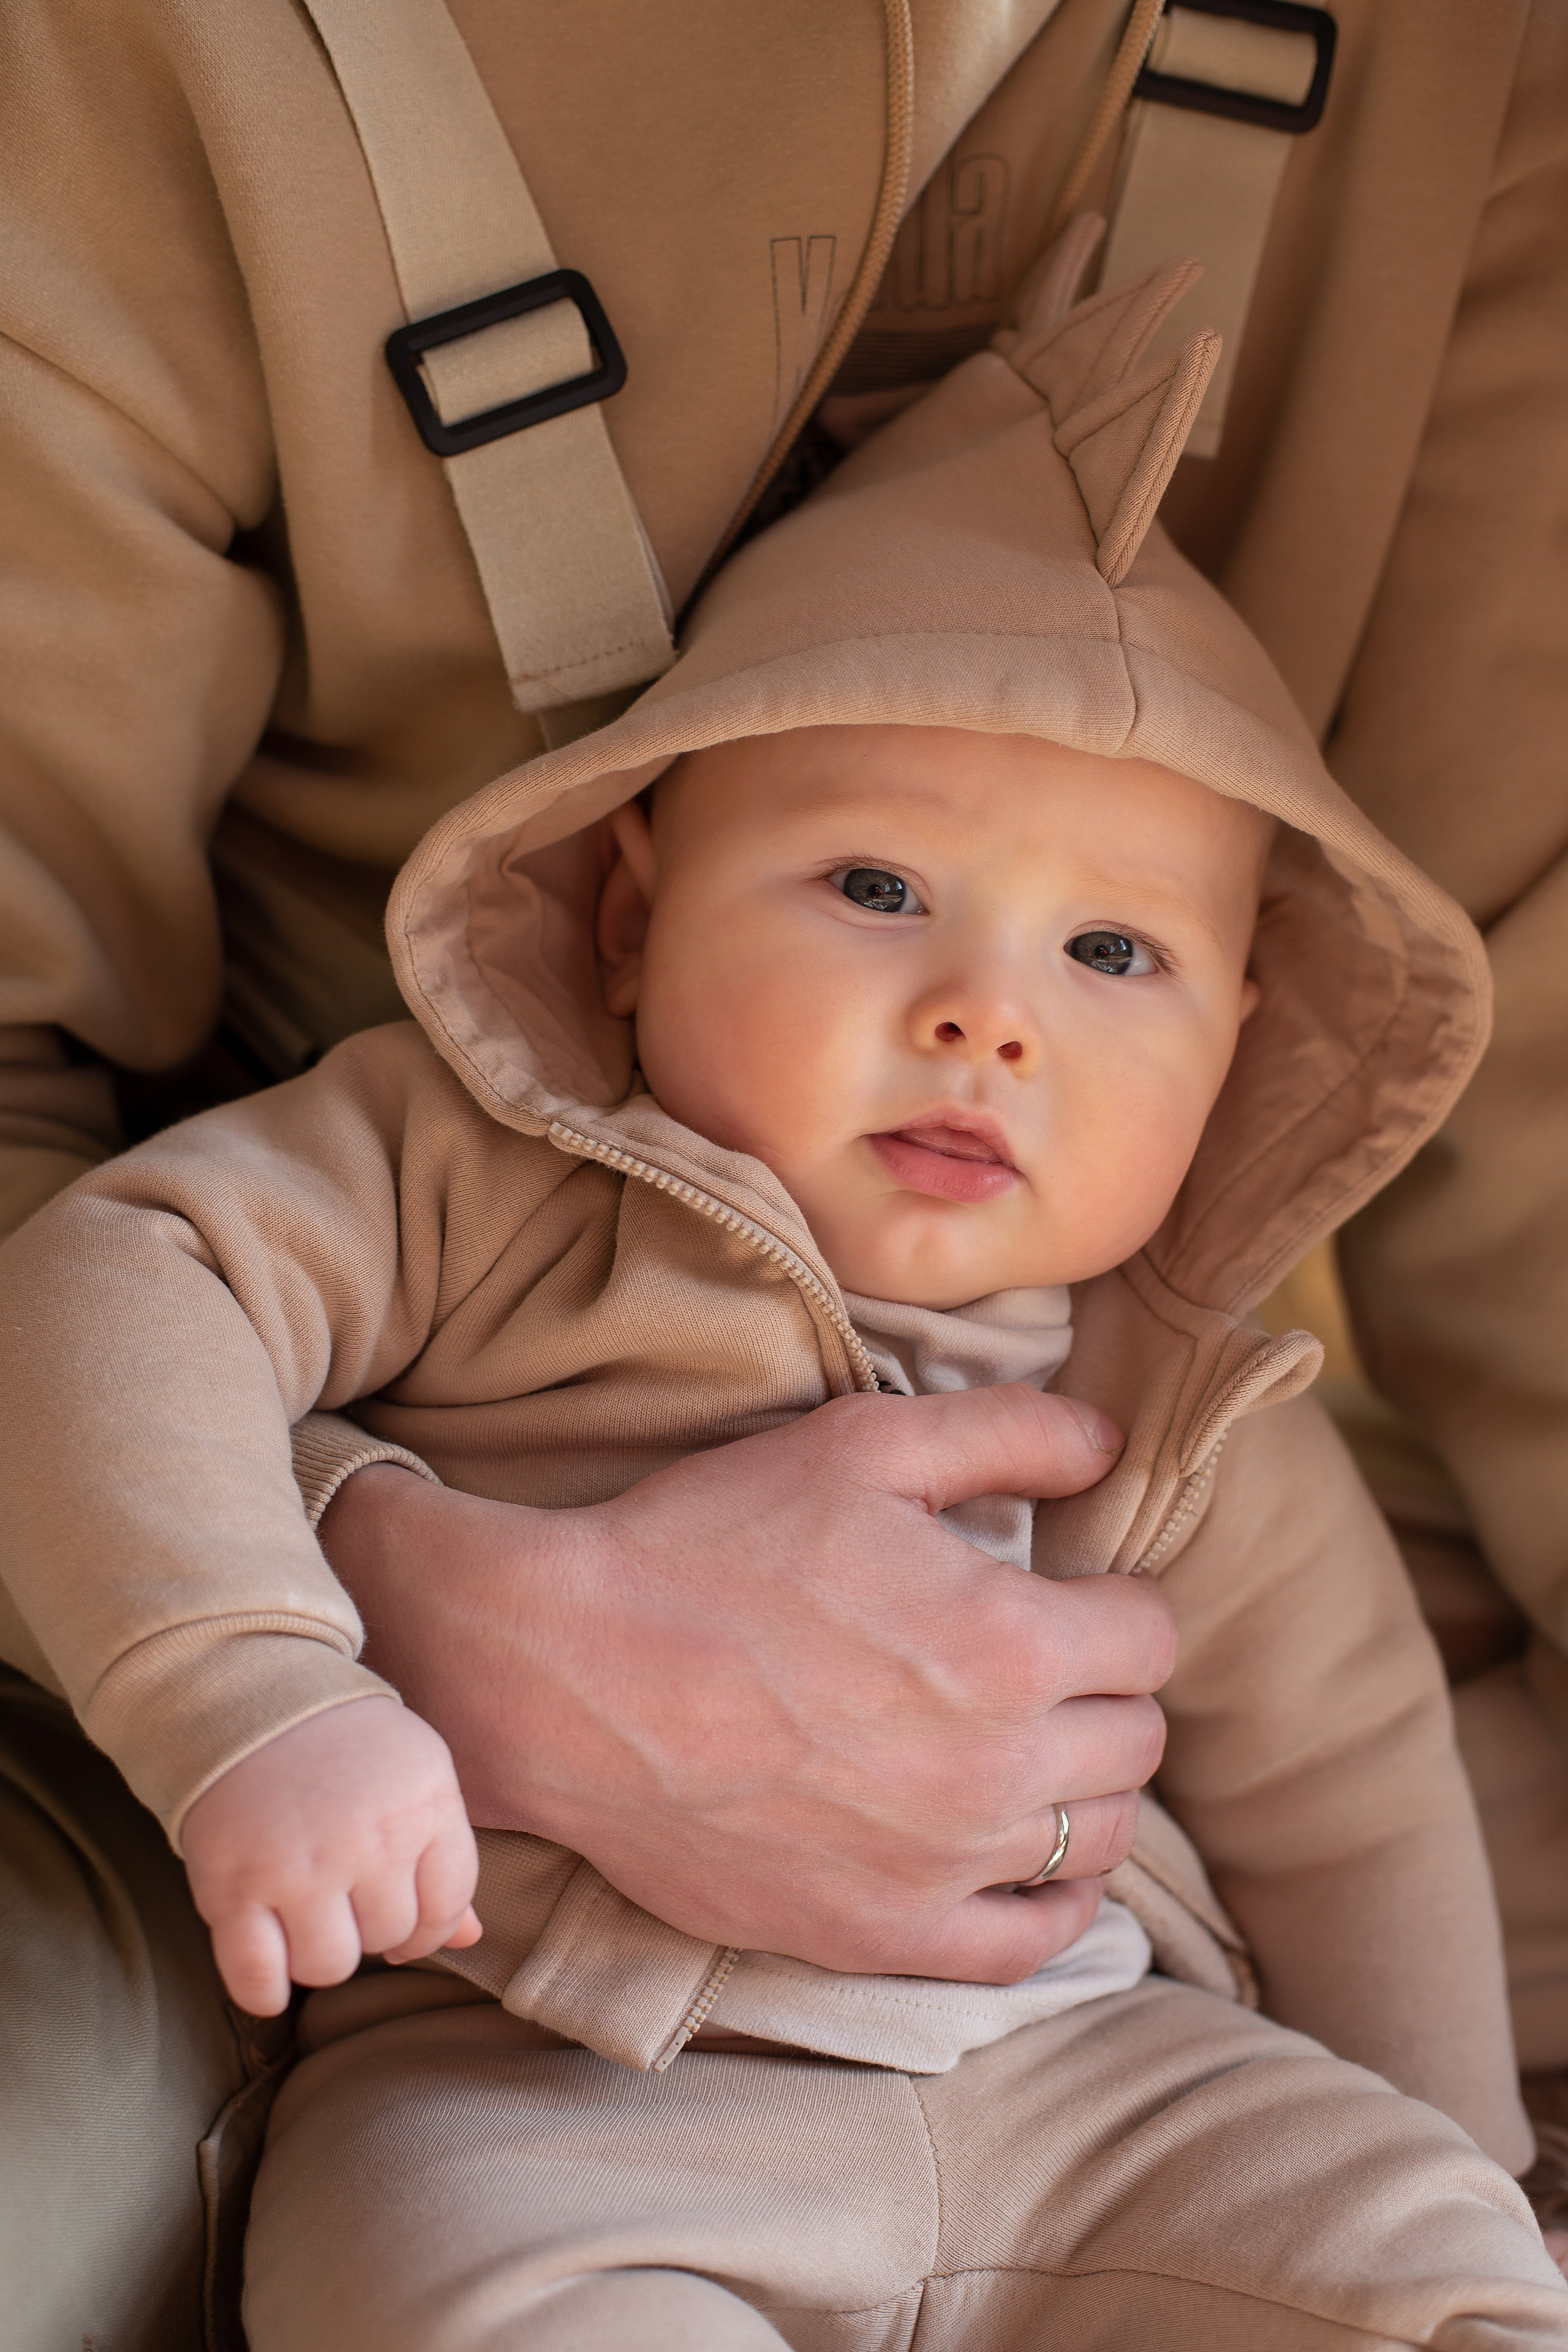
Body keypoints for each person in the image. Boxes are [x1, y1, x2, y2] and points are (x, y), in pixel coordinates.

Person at [3, 2, 1566, 2343]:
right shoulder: (474, 1168)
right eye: (869, 889)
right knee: (429, 2279)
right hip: (541, 2088)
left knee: (1414, 2261)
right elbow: (117, 1277)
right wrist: (287, 1683)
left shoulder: (1179, 1395)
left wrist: (1483, 2159)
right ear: (627, 915)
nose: (985, 1012)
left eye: (1114, 954)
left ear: (1243, 1055)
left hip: (1099, 2068)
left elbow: (1353, 1807)